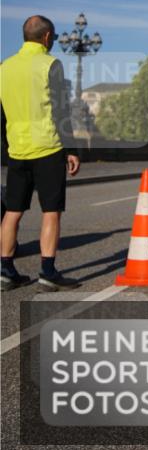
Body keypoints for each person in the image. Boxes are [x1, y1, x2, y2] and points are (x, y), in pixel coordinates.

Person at [0, 15, 81, 291]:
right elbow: (60, 110)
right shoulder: (50, 64)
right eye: (55, 39)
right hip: (47, 148)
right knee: (51, 212)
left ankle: (6, 270)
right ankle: (47, 271)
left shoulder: (5, 67)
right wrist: (71, 149)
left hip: (17, 149)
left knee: (12, 211)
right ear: (47, 37)